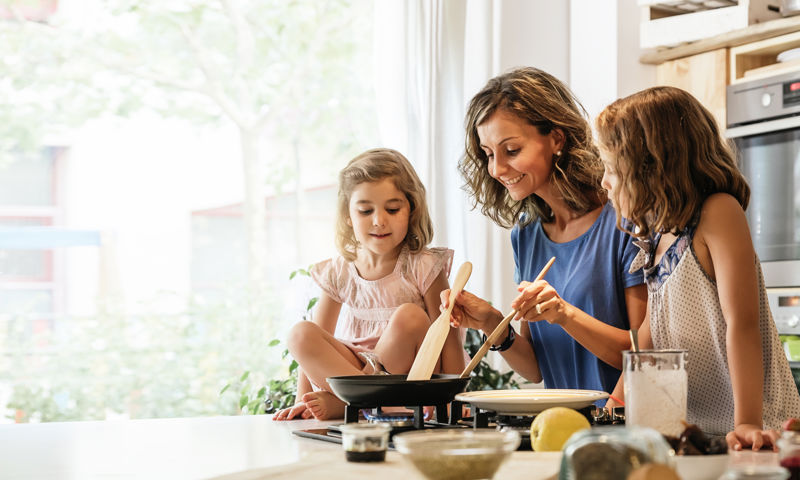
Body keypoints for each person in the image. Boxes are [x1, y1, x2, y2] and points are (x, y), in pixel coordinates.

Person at [595, 85, 800, 450]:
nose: (604, 182)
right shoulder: (656, 236)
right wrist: (613, 408)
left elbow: (742, 322)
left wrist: (749, 422)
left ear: (651, 165)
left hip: (755, 431)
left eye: (611, 168)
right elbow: (650, 336)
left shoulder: (718, 212)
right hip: (696, 434)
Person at [443, 67, 647, 395]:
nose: (496, 169)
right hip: (559, 428)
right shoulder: (526, 236)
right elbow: (536, 369)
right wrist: (493, 323)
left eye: (511, 150)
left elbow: (645, 357)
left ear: (556, 138)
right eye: (488, 154)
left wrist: (564, 313)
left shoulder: (624, 220)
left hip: (617, 428)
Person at [273, 148, 465, 421]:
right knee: (301, 333)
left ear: (411, 210)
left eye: (392, 208)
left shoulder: (423, 265)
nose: (379, 220)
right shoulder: (339, 270)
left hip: (406, 377)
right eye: (365, 210)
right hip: (357, 370)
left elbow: (448, 338)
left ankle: (355, 404)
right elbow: (319, 336)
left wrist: (452, 402)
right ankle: (372, 404)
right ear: (348, 217)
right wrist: (300, 400)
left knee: (409, 315)